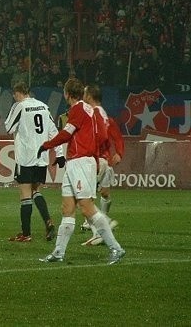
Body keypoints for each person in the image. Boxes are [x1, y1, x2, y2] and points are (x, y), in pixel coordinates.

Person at [37, 78, 125, 264]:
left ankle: (116, 249)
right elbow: (102, 134)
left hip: (81, 162)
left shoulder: (77, 109)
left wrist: (46, 145)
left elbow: (67, 133)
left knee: (86, 208)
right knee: (67, 208)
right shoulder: (91, 111)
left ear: (66, 94)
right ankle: (58, 252)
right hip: (77, 162)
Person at [4, 81, 65, 242]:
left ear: (18, 93)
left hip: (25, 157)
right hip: (42, 157)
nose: (14, 97)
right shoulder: (44, 107)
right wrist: (59, 154)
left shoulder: (20, 106)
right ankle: (48, 222)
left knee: (25, 195)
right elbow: (54, 131)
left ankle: (26, 234)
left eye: (14, 95)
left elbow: (8, 127)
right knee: (36, 191)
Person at [81, 84, 125, 246]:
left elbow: (102, 135)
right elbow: (116, 136)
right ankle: (101, 226)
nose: (83, 96)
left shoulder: (95, 113)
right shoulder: (104, 113)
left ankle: (103, 223)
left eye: (84, 94)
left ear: (90, 96)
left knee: (84, 198)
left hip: (96, 159)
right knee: (103, 193)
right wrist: (119, 152)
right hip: (104, 159)